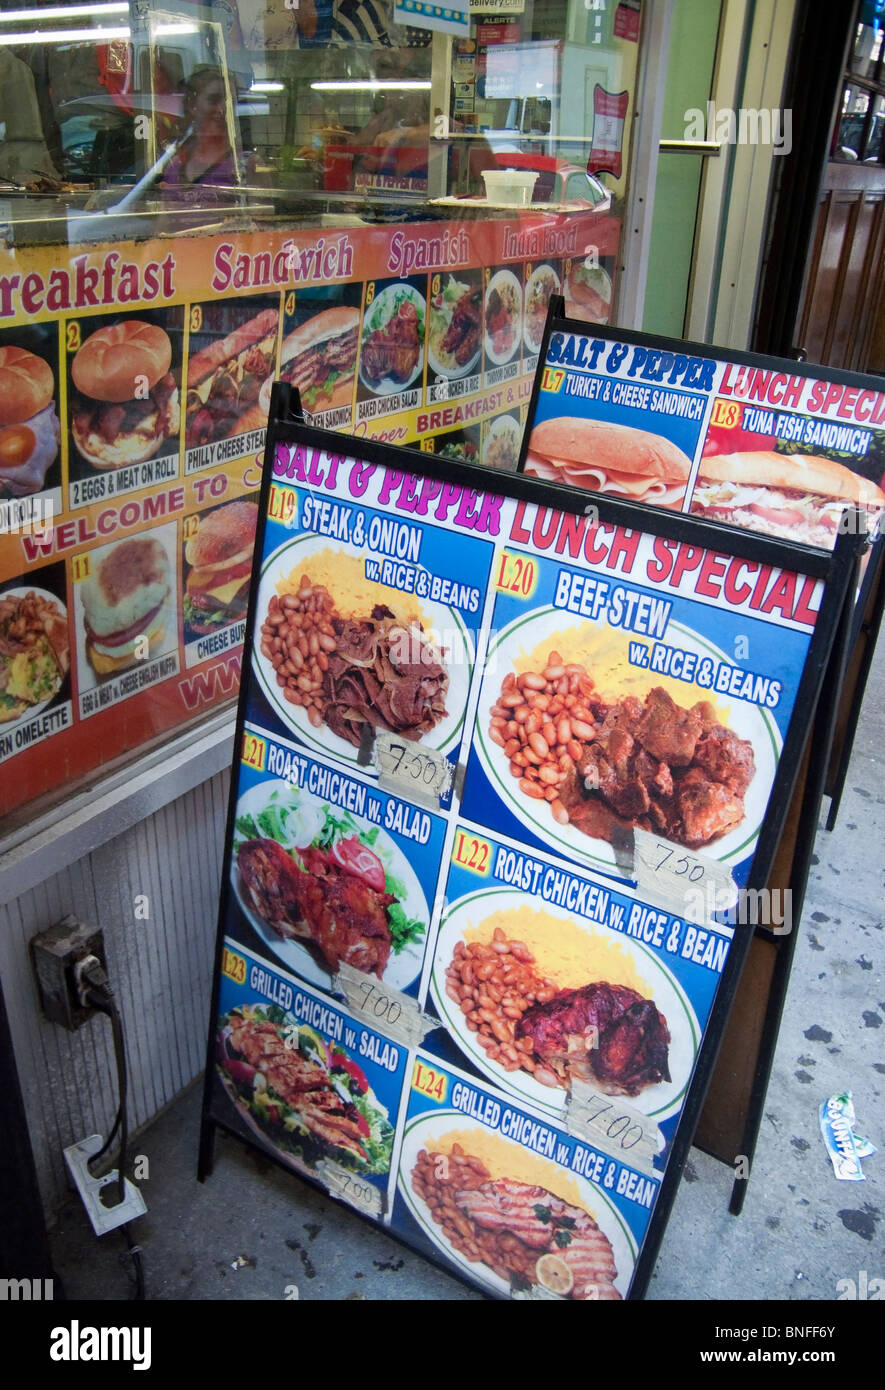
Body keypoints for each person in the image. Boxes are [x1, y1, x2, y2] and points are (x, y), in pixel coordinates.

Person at [163, 67, 247, 187]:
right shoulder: (174, 165)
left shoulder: (246, 165)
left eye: (229, 102)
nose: (221, 110)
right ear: (192, 105)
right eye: (213, 100)